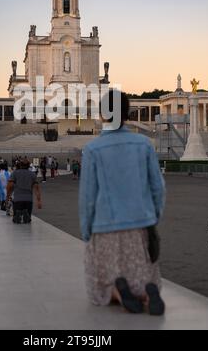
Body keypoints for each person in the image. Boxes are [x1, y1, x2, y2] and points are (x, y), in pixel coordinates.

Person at [79, 90, 166, 316]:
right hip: (140, 222)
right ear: (127, 114)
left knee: (100, 280)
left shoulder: (92, 149)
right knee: (143, 270)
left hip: (105, 224)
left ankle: (117, 291)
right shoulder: (144, 144)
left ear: (102, 115)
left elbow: (88, 196)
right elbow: (158, 186)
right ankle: (148, 291)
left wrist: (87, 229)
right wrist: (153, 216)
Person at [7, 159, 42, 224]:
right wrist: (39, 201)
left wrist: (7, 197)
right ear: (29, 166)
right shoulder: (32, 174)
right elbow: (36, 188)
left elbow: (10, 186)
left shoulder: (15, 173)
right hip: (28, 199)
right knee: (28, 220)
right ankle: (27, 215)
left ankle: (17, 215)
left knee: (15, 219)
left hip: (17, 199)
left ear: (20, 165)